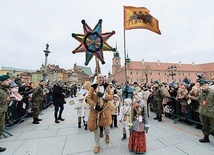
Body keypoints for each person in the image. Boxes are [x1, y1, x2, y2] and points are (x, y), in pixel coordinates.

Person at [86, 74, 113, 154]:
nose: (101, 79)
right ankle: (97, 145)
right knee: (95, 128)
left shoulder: (107, 87)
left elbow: (111, 97)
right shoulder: (93, 87)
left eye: (102, 77)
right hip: (95, 112)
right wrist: (95, 106)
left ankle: (107, 135)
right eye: (99, 78)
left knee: (107, 126)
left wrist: (104, 95)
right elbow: (88, 98)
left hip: (105, 110)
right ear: (96, 79)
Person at [0, 74, 10, 152]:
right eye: (6, 80)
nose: (8, 81)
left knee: (1, 129)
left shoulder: (4, 89)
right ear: (1, 82)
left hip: (3, 111)